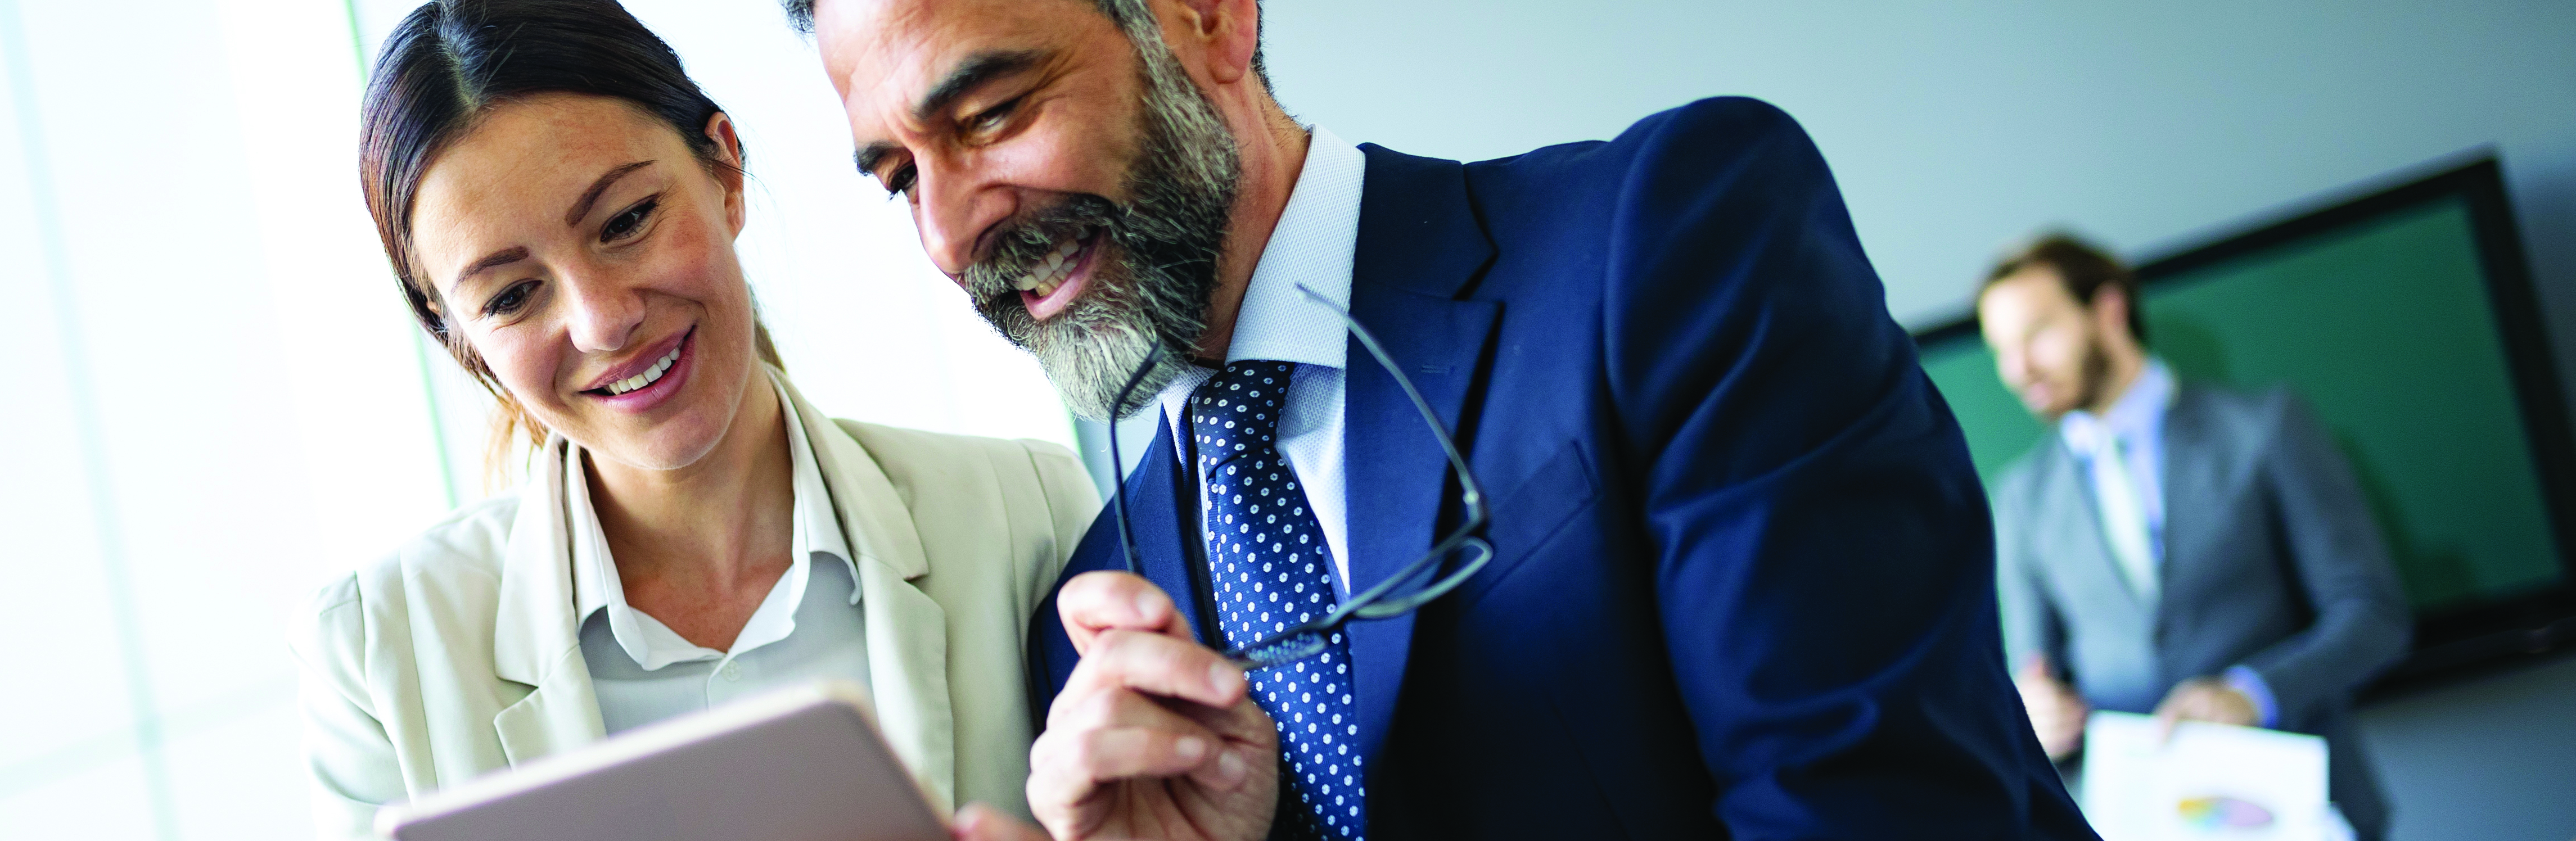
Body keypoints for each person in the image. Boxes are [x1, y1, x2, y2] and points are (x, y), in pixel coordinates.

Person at [782, 0, 2093, 838]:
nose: (953, 232)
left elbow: (1882, 809)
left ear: (1203, 20)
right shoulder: (1098, 630)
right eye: (898, 176)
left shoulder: (1668, 239)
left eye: (992, 113)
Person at [289, 1, 1101, 836]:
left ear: (725, 173)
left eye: (627, 221)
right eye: (512, 296)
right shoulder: (377, 653)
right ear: (463, 343)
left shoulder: (1024, 515)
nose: (603, 321)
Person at [1977, 233, 2411, 840]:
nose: (2016, 369)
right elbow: (2035, 679)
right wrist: (2033, 718)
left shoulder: (2267, 427)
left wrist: (2252, 693)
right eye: (2001, 349)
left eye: (2037, 334)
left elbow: (2374, 616)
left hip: (2306, 811)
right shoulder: (2021, 497)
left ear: (2107, 310)